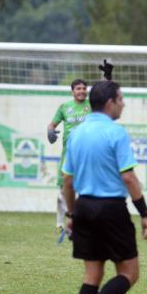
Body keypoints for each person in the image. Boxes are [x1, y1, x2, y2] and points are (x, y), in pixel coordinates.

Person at [62, 77, 147, 294]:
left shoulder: (76, 133)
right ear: (110, 103)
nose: (123, 105)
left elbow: (67, 181)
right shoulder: (116, 133)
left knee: (92, 274)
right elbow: (128, 177)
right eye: (121, 100)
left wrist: (71, 213)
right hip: (111, 209)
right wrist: (145, 214)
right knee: (129, 272)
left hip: (84, 209)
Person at [47, 79, 91, 236]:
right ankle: (59, 223)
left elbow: (105, 94)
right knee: (63, 189)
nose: (81, 91)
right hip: (69, 153)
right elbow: (52, 124)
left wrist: (106, 77)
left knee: (84, 189)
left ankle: (76, 222)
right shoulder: (65, 107)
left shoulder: (92, 105)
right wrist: (50, 131)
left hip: (87, 153)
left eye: (84, 88)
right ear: (72, 91)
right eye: (78, 88)